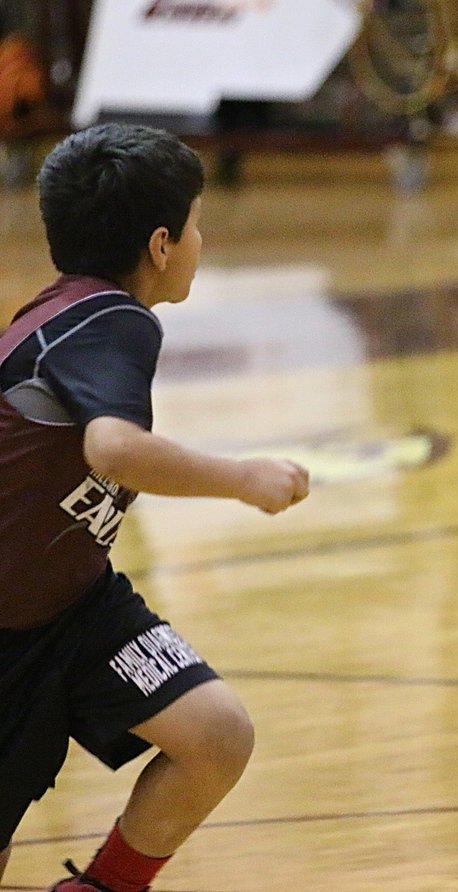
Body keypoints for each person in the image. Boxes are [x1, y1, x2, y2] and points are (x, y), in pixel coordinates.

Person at [0, 122, 310, 892]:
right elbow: (114, 450)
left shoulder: (68, 311)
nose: (202, 241)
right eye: (199, 224)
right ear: (162, 243)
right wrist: (243, 477)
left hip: (74, 603)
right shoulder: (115, 319)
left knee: (213, 734)